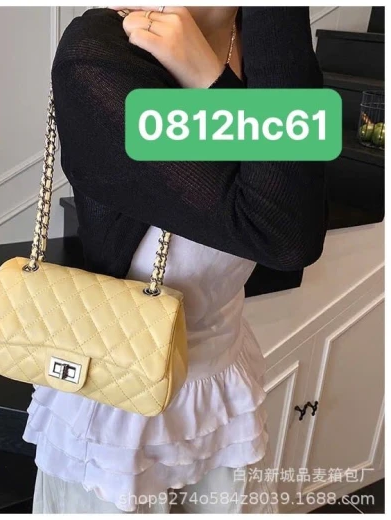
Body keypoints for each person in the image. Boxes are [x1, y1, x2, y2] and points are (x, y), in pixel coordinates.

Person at [24, 6, 326, 514]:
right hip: (124, 402)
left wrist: (209, 76)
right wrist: (220, 86)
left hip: (225, 384)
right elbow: (281, 231)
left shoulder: (264, 38)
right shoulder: (100, 50)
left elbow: (296, 210)